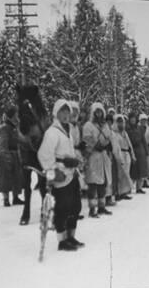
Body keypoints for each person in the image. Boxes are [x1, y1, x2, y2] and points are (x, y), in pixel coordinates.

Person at [37, 99, 83, 251]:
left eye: (67, 111)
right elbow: (44, 155)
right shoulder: (52, 132)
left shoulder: (68, 130)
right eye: (62, 111)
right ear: (56, 113)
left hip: (71, 173)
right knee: (62, 208)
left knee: (75, 206)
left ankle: (71, 236)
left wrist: (75, 160)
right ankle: (62, 241)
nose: (65, 114)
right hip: (61, 174)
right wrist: (54, 172)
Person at [82, 102, 113, 218]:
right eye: (97, 112)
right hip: (93, 156)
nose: (99, 114)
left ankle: (101, 206)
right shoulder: (88, 125)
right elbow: (87, 139)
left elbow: (109, 137)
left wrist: (107, 145)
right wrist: (96, 145)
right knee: (92, 183)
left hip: (103, 156)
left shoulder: (105, 126)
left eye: (101, 112)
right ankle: (92, 209)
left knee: (102, 183)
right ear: (93, 113)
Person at [0, 106, 24, 209]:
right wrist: (6, 156)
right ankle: (6, 199)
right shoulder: (4, 127)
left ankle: (16, 197)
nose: (18, 117)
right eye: (16, 115)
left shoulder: (15, 127)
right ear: (11, 116)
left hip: (16, 154)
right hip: (7, 155)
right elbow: (3, 144)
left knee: (17, 177)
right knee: (5, 178)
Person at [112, 114, 134, 200]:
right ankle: (118, 192)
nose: (121, 124)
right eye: (119, 122)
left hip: (126, 153)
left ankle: (124, 192)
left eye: (122, 122)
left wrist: (132, 154)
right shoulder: (114, 133)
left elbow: (129, 144)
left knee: (126, 173)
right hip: (119, 153)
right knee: (119, 174)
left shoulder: (125, 133)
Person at [128, 113, 148, 194]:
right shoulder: (127, 128)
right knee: (132, 170)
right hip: (132, 149)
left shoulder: (139, 128)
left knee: (141, 170)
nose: (133, 120)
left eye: (134, 118)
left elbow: (143, 140)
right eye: (131, 118)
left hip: (140, 150)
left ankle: (139, 187)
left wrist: (146, 150)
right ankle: (128, 188)